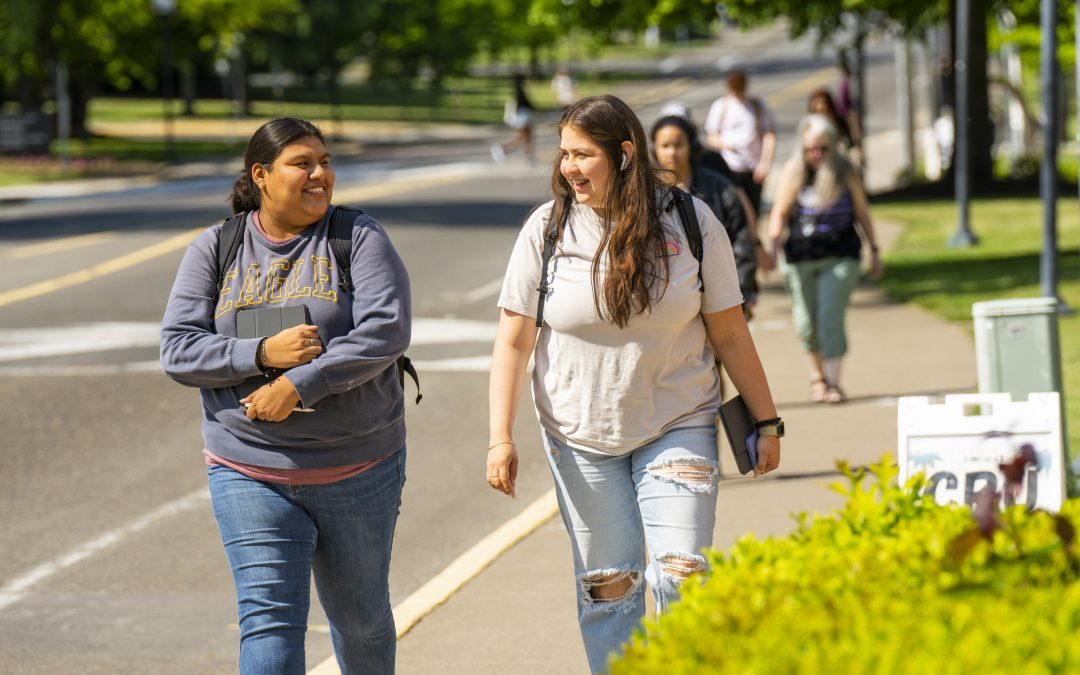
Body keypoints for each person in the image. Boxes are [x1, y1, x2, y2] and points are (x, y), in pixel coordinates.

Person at [488, 95, 782, 672]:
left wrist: (767, 421)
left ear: (624, 154)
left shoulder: (691, 221)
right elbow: (514, 339)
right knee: (609, 590)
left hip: (679, 421)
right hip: (579, 434)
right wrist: (500, 436)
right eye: (564, 153)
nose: (569, 166)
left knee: (683, 574)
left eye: (583, 154)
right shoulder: (546, 229)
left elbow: (731, 333)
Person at [160, 117, 411, 675]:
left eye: (324, 160)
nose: (320, 173)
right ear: (262, 176)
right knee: (268, 619)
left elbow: (385, 333)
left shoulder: (357, 237)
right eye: (303, 163)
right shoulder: (217, 247)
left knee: (361, 620)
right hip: (247, 468)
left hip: (357, 466)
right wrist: (261, 356)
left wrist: (300, 383)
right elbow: (177, 349)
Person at [765, 114, 884, 404]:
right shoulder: (794, 171)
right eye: (810, 149)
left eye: (822, 148)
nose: (816, 154)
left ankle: (832, 382)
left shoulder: (846, 171)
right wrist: (772, 245)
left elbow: (862, 211)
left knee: (829, 315)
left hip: (840, 254)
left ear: (833, 146)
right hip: (799, 255)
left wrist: (875, 250)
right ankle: (817, 377)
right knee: (806, 323)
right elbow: (779, 212)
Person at [650, 114, 759, 318]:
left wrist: (738, 296)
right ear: (653, 149)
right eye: (665, 146)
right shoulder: (644, 193)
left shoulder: (719, 186)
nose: (672, 152)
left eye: (678, 145)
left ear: (691, 146)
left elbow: (741, 243)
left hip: (720, 300)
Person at [703, 69, 777, 216]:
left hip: (753, 168)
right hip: (731, 167)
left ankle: (754, 236)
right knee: (736, 210)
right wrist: (725, 144)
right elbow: (711, 136)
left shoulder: (757, 106)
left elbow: (769, 135)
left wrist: (765, 164)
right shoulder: (721, 106)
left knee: (754, 209)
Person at [491, 73, 536, 164]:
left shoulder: (518, 89)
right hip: (524, 116)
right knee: (525, 137)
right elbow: (525, 103)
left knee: (526, 137)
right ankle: (503, 149)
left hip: (523, 116)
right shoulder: (520, 90)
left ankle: (528, 156)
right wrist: (534, 108)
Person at [807, 88, 859, 158]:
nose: (819, 116)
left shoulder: (839, 125)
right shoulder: (809, 130)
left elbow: (850, 146)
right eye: (815, 111)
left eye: (822, 111)